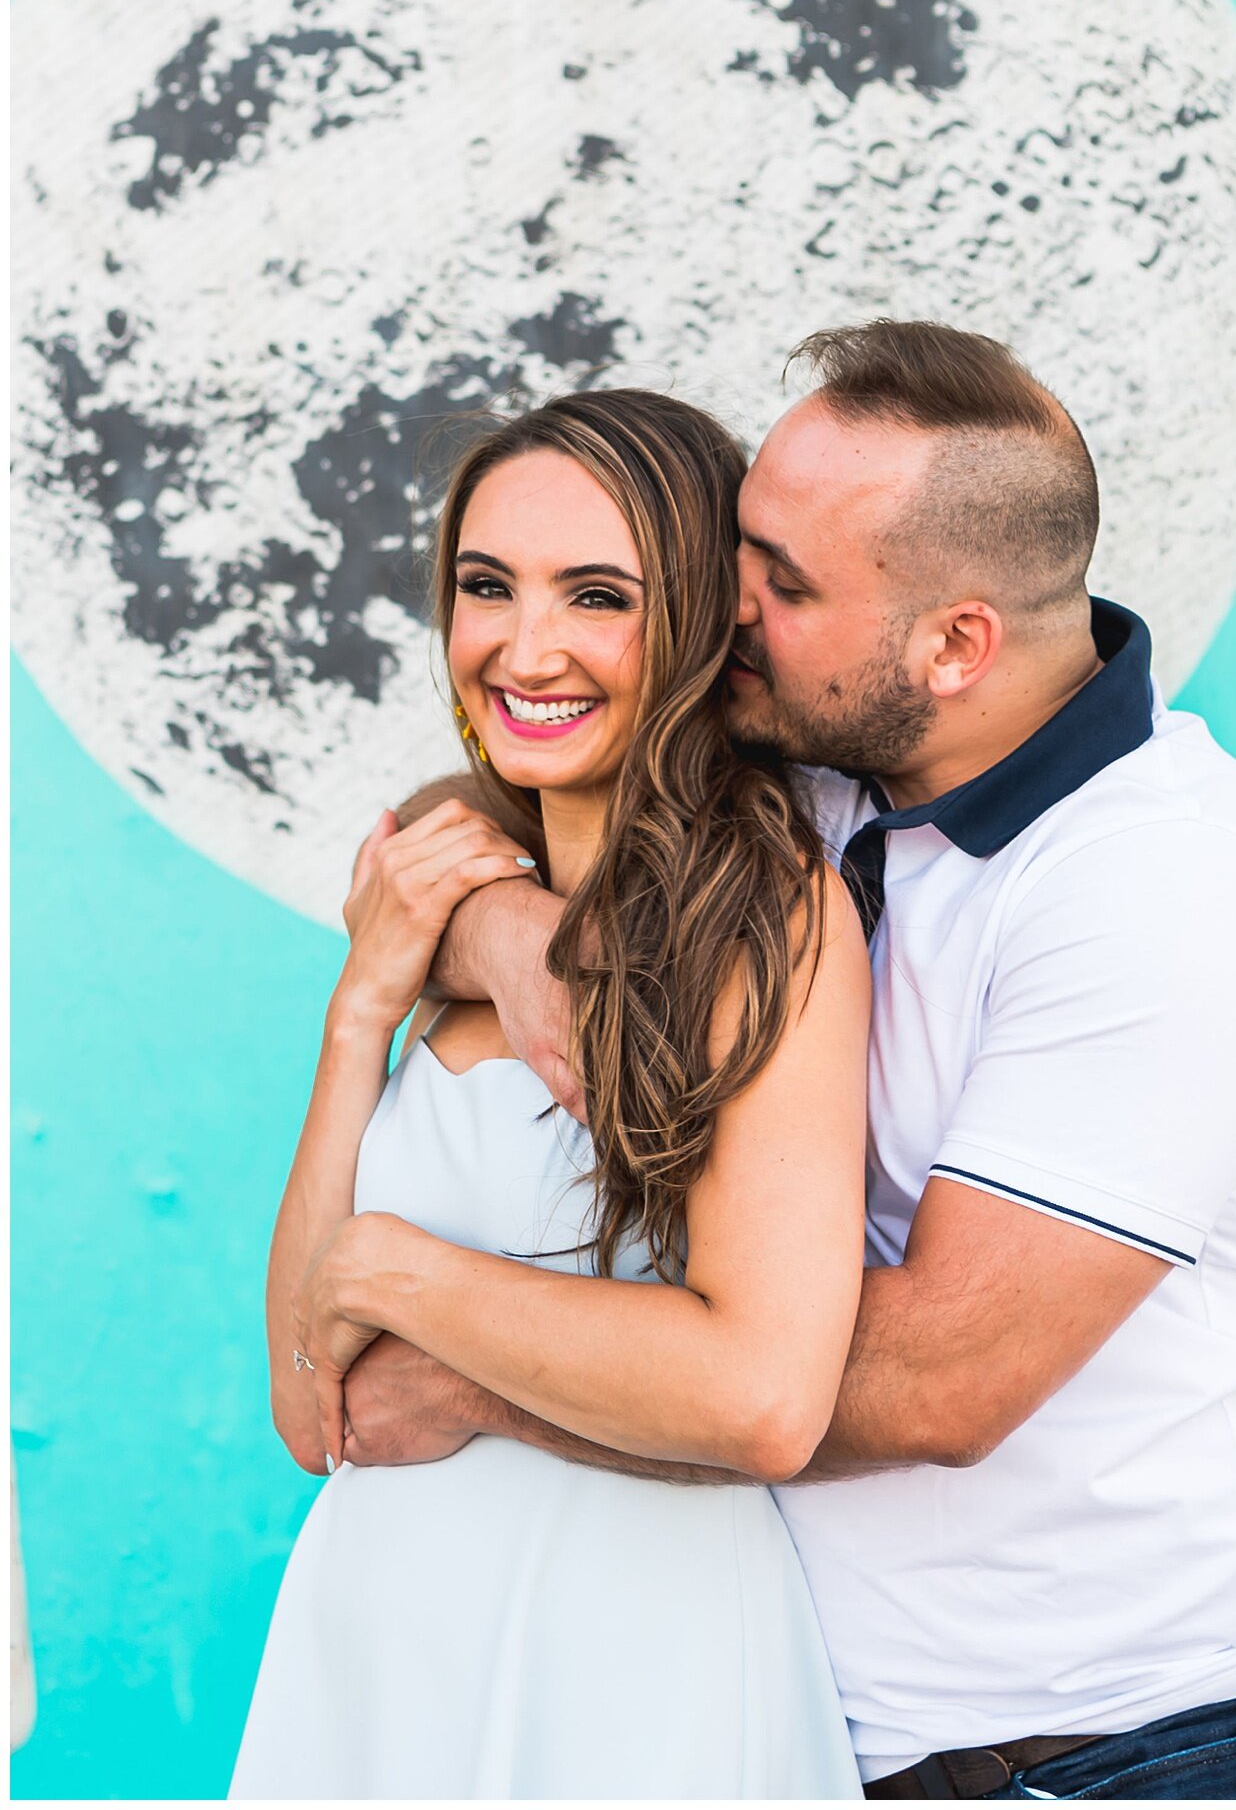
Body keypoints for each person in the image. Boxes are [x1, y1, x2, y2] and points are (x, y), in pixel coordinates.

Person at [327, 320, 1236, 1802]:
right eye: (736, 552)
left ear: (954, 643)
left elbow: (930, 1382)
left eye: (781, 583)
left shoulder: (1169, 885)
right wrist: (513, 939)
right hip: (845, 1748)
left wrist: (475, 1384)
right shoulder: (826, 769)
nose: (730, 612)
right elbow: (457, 825)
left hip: (1150, 1749)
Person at [231, 389, 870, 1799]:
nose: (526, 648)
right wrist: (362, 1013)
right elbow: (305, 1408)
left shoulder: (772, 919)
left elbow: (764, 1401)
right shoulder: (450, 889)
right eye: (485, 587)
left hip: (633, 1660)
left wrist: (399, 1274)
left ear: (701, 619)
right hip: (382, 1655)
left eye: (598, 596)